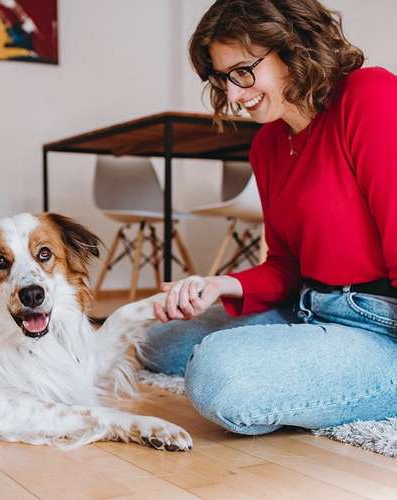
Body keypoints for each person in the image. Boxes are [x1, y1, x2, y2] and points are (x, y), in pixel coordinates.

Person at [140, 0, 397, 436]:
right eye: (223, 79)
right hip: (310, 306)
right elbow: (285, 266)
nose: (235, 95)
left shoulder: (368, 95)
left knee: (220, 377)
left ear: (293, 47)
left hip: (382, 324)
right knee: (157, 341)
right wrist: (219, 285)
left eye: (242, 71)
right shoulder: (267, 146)